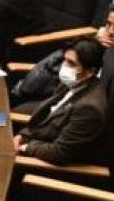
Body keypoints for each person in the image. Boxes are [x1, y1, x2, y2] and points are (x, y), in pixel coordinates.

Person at [9, 0, 114, 110]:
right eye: (108, 24)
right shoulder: (102, 43)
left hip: (83, 108)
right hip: (63, 92)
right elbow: (68, 60)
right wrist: (94, 44)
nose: (110, 31)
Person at [14, 38, 108, 166]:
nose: (64, 66)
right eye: (65, 59)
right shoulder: (74, 82)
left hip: (44, 166)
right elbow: (45, 118)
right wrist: (21, 136)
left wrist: (25, 147)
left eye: (71, 63)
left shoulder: (89, 109)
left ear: (90, 72)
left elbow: (59, 153)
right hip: (37, 142)